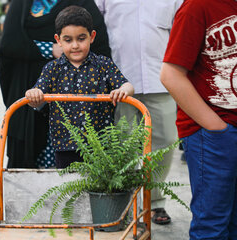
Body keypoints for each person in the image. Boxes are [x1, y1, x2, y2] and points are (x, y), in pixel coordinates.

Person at [94, 0, 183, 225]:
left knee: (166, 141)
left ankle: (153, 201)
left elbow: (182, 28)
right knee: (123, 146)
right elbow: (93, 20)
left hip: (161, 78)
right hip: (119, 80)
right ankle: (125, 201)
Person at [0, 0, 111, 168]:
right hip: (28, 96)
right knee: (29, 170)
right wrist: (48, 50)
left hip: (75, 103)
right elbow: (9, 43)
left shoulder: (82, 3)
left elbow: (99, 49)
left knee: (75, 171)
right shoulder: (22, 4)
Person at [160, 0, 237, 238]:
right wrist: (216, 127)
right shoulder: (198, 5)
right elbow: (171, 74)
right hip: (214, 132)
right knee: (212, 226)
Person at [25, 5, 134, 168]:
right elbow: (37, 95)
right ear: (58, 40)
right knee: (69, 189)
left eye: (81, 38)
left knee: (99, 189)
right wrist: (33, 95)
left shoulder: (103, 64)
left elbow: (127, 85)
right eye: (68, 40)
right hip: (65, 146)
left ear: (92, 37)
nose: (75, 45)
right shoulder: (52, 69)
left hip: (100, 145)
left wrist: (122, 91)